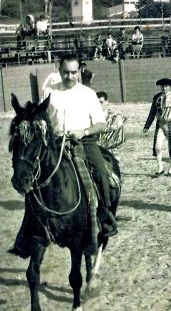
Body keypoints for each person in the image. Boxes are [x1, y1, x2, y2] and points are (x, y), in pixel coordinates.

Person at [42, 53, 117, 237]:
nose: (70, 77)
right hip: (56, 142)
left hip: (83, 141)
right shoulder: (49, 92)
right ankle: (34, 220)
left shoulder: (88, 94)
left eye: (73, 72)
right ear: (59, 71)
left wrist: (83, 132)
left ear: (79, 72)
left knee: (100, 172)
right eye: (66, 72)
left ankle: (104, 215)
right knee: (34, 173)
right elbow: (43, 120)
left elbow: (101, 124)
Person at [143, 78, 171, 177]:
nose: (164, 88)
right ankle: (160, 168)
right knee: (157, 147)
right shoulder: (157, 97)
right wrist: (147, 125)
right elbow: (152, 112)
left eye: (166, 86)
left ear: (169, 87)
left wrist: (170, 119)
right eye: (162, 86)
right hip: (160, 124)